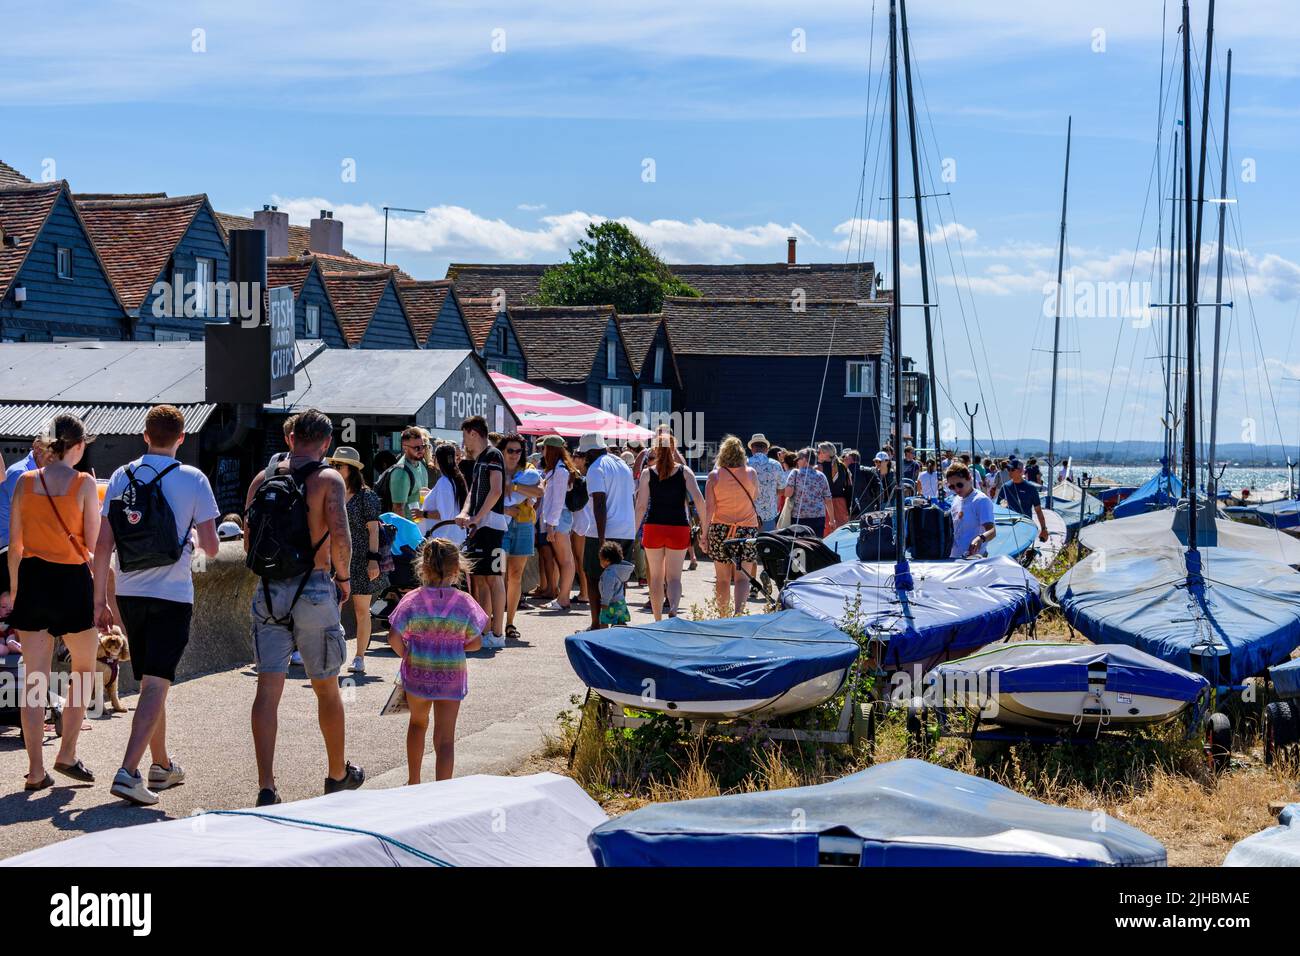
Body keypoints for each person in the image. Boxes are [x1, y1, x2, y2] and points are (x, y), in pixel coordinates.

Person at [93, 404, 220, 805]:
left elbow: (102, 544)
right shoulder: (194, 479)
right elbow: (214, 549)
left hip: (128, 593)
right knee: (155, 683)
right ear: (182, 437)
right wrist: (193, 542)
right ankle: (128, 771)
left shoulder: (119, 476)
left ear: (145, 435)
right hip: (172, 595)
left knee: (151, 680)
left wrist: (100, 599)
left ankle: (161, 765)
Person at [245, 409, 364, 807]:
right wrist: (343, 580)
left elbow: (248, 543)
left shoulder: (262, 479)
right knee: (327, 688)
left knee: (267, 690)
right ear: (326, 443)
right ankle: (336, 774)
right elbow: (342, 537)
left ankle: (266, 786)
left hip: (268, 590)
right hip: (313, 586)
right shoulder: (329, 479)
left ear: (291, 437)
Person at [6, 415, 100, 792]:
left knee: (33, 679)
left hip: (32, 579)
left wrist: (16, 590)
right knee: (83, 668)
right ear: (76, 446)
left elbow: (15, 545)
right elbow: (91, 546)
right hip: (72, 581)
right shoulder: (83, 483)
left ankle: (34, 770)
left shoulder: (25, 482)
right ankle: (68, 752)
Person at [387, 537, 486, 784]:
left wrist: (408, 655)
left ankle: (413, 782)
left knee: (417, 724)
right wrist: (455, 645)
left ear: (423, 567)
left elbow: (393, 637)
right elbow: (476, 642)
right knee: (445, 740)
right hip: (451, 677)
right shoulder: (464, 602)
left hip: (418, 673)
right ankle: (442, 790)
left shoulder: (412, 599)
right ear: (457, 569)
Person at [327, 447, 388, 675]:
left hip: (361, 558)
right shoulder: (331, 492)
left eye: (339, 466)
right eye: (333, 465)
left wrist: (373, 560)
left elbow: (373, 530)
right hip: (335, 558)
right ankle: (332, 654)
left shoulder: (366, 496)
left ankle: (359, 657)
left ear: (351, 470)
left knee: (362, 611)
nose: (334, 469)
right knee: (332, 609)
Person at [634, 430, 706, 620]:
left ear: (656, 450)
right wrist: (705, 530)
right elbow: (699, 501)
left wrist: (632, 531)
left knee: (656, 578)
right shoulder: (684, 471)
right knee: (674, 578)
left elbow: (641, 506)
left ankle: (657, 618)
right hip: (678, 528)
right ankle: (673, 608)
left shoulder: (647, 473)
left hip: (653, 527)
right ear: (674, 450)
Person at [456, 415, 508, 649]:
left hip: (492, 526)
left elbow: (496, 491)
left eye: (465, 435)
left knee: (494, 578)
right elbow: (473, 492)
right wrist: (466, 514)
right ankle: (485, 630)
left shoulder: (493, 455)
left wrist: (476, 517)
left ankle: (497, 634)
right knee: (482, 579)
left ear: (474, 433)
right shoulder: (479, 459)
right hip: (480, 526)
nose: (464, 441)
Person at [578, 432, 636, 630]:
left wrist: (602, 539)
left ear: (591, 452)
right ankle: (618, 623)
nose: (585, 459)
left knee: (594, 577)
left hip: (602, 531)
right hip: (627, 530)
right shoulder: (622, 465)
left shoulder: (596, 468)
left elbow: (599, 503)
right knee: (619, 578)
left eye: (585, 454)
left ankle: (596, 624)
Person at [705, 435, 760, 616]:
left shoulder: (714, 476)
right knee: (742, 577)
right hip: (747, 530)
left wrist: (704, 535)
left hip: (721, 528)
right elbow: (756, 496)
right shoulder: (751, 473)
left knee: (722, 579)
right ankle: (738, 612)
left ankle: (723, 615)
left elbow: (709, 508)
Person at [498, 432, 543, 641]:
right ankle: (494, 620)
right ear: (502, 451)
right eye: (510, 450)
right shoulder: (495, 469)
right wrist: (506, 510)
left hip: (524, 525)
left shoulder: (528, 470)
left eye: (518, 451)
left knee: (515, 576)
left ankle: (510, 622)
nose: (515, 454)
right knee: (497, 575)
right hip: (500, 525)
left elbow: (540, 491)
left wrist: (514, 487)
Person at [0, 437, 50, 611]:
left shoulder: (45, 474)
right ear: (36, 448)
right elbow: (30, 521)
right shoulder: (20, 474)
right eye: (50, 451)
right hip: (7, 550)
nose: (55, 457)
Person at [539, 435, 577, 611]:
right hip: (557, 519)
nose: (542, 451)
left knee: (566, 560)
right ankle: (562, 598)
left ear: (550, 449)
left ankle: (563, 599)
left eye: (544, 448)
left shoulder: (560, 471)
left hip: (559, 519)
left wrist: (551, 525)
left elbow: (558, 501)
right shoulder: (557, 469)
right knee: (564, 560)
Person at [945, 462, 996, 559]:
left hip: (973, 559)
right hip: (954, 558)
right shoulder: (955, 500)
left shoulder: (981, 500)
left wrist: (980, 539)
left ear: (969, 478)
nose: (956, 489)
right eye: (952, 487)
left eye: (959, 485)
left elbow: (992, 531)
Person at [423, 442, 468, 549]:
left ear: (437, 460)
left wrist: (422, 514)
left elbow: (445, 516)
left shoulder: (445, 482)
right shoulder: (456, 479)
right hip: (454, 538)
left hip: (443, 542)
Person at [999, 458, 1051, 544]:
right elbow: (998, 508)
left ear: (1020, 471)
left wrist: (1044, 529)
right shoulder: (1005, 487)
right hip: (1008, 528)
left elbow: (1038, 510)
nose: (1009, 472)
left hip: (1026, 527)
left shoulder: (1031, 488)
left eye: (1011, 469)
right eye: (1008, 469)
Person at [385, 426, 430, 520]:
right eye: (417, 448)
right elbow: (398, 509)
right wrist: (406, 533)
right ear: (405, 448)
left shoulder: (421, 464)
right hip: (409, 529)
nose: (421, 450)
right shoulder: (401, 472)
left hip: (421, 526)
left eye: (423, 446)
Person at [785, 448, 832, 535]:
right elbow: (828, 499)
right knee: (816, 544)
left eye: (798, 459)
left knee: (799, 545)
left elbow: (788, 493)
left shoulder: (795, 473)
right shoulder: (821, 476)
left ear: (805, 460)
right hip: (818, 517)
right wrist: (832, 520)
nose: (797, 462)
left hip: (799, 516)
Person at [747, 434, 784, 533]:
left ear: (752, 449)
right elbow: (781, 490)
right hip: (769, 514)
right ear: (766, 449)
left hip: (748, 515)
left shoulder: (745, 464)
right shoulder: (776, 465)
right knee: (767, 545)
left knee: (749, 546)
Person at [597, 541, 634, 626]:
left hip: (611, 602)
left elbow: (608, 590)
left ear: (607, 560)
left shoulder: (609, 574)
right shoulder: (618, 571)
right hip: (621, 602)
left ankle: (602, 637)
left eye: (600, 559)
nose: (600, 562)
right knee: (620, 622)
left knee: (604, 621)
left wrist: (605, 602)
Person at [817, 442, 850, 534]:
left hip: (825, 503)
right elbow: (847, 484)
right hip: (841, 503)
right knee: (841, 533)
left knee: (826, 534)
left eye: (818, 452)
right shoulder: (842, 466)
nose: (817, 454)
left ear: (826, 453)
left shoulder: (819, 467)